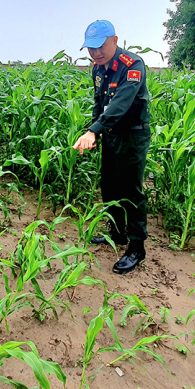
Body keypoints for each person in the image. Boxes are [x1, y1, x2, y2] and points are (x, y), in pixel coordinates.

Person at [73, 20, 151, 274]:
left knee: (130, 191)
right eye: (91, 49)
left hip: (132, 135)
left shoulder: (132, 66)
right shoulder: (97, 69)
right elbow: (100, 103)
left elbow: (120, 104)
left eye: (100, 47)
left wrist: (93, 131)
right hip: (110, 134)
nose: (95, 53)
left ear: (115, 41)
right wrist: (94, 131)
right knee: (109, 187)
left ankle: (137, 248)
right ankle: (117, 233)